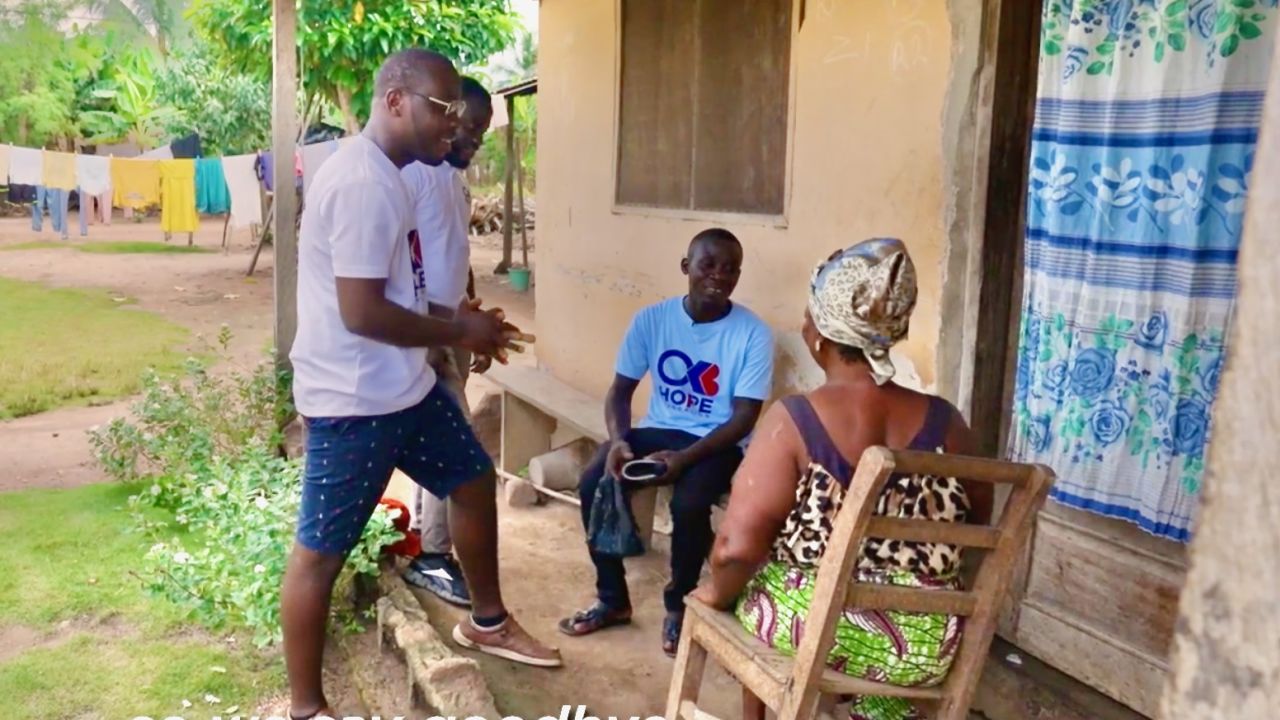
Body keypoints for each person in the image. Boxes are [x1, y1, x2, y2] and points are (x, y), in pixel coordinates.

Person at [283, 49, 561, 720]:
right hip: (354, 403)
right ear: (396, 100)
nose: (456, 121)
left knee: (469, 481)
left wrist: (456, 318)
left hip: (404, 390)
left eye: (458, 110)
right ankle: (305, 708)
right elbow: (362, 313)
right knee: (320, 556)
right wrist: (457, 334)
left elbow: (399, 291)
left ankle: (486, 620)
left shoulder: (396, 174)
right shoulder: (362, 183)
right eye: (443, 108)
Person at [689, 238, 995, 720]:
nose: (805, 324)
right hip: (923, 645)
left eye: (809, 315)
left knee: (752, 584)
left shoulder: (796, 418)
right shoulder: (948, 422)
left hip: (818, 633)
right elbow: (978, 529)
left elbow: (736, 549)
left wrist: (714, 592)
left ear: (821, 336)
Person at [558, 228, 775, 657]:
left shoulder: (753, 334)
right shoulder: (652, 320)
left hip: (716, 442)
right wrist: (619, 441)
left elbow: (744, 416)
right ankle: (612, 599)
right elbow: (620, 391)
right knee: (595, 480)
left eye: (730, 269)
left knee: (689, 505)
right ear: (686, 267)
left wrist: (685, 458)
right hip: (659, 428)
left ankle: (679, 606)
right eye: (708, 265)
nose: (718, 276)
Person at [399, 76, 495, 607]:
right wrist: (435, 335)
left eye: (482, 131)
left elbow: (452, 249)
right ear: (444, 118)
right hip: (425, 331)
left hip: (454, 324)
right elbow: (404, 255)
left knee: (441, 442)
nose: (476, 140)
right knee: (459, 447)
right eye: (470, 128)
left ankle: (426, 541)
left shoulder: (453, 179)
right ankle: (433, 556)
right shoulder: (413, 175)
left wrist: (472, 305)